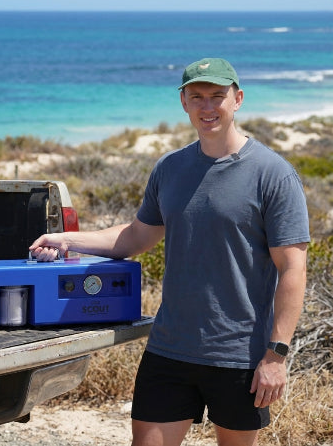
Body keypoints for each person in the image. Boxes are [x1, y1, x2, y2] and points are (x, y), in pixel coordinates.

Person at [30, 58, 310, 446]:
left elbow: (293, 268)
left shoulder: (273, 173)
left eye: (217, 96)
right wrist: (66, 241)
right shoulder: (170, 168)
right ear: (183, 102)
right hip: (170, 349)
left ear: (238, 99)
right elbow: (134, 237)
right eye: (197, 97)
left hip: (239, 356)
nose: (207, 107)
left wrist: (275, 357)